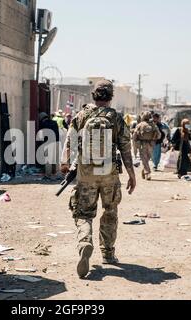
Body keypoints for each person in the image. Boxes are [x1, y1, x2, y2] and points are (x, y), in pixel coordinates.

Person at [61, 80, 136, 279]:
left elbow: (69, 142)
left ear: (93, 96)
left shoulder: (81, 115)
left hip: (86, 172)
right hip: (109, 172)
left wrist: (65, 165)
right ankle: (108, 254)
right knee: (110, 210)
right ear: (110, 97)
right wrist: (131, 174)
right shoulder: (117, 118)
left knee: (83, 212)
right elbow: (126, 149)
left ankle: (85, 242)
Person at [133, 111, 161, 180]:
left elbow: (134, 135)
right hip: (151, 144)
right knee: (147, 159)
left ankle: (146, 171)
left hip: (142, 144)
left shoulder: (140, 125)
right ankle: (147, 173)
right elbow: (159, 135)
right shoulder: (153, 125)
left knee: (144, 159)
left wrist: (135, 142)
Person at [38, 112, 60, 179]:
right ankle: (55, 172)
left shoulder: (43, 124)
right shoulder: (54, 122)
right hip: (56, 142)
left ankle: (48, 174)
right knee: (55, 159)